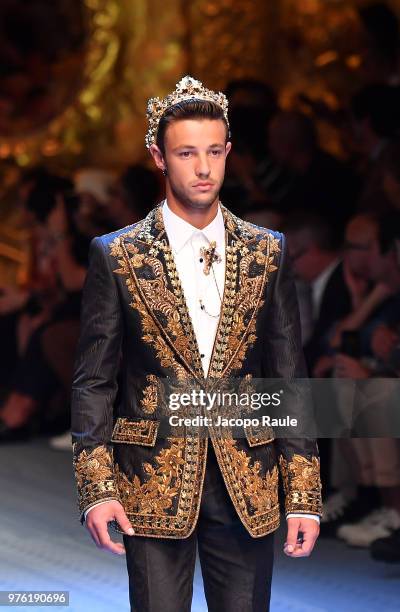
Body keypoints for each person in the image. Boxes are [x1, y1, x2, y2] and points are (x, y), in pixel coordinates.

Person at [71, 76, 322, 612]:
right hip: (149, 476)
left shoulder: (266, 251)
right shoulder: (118, 255)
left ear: (229, 152)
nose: (203, 168)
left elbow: (287, 377)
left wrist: (304, 495)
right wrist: (98, 486)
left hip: (247, 478)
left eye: (213, 151)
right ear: (158, 158)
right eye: (187, 153)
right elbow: (95, 379)